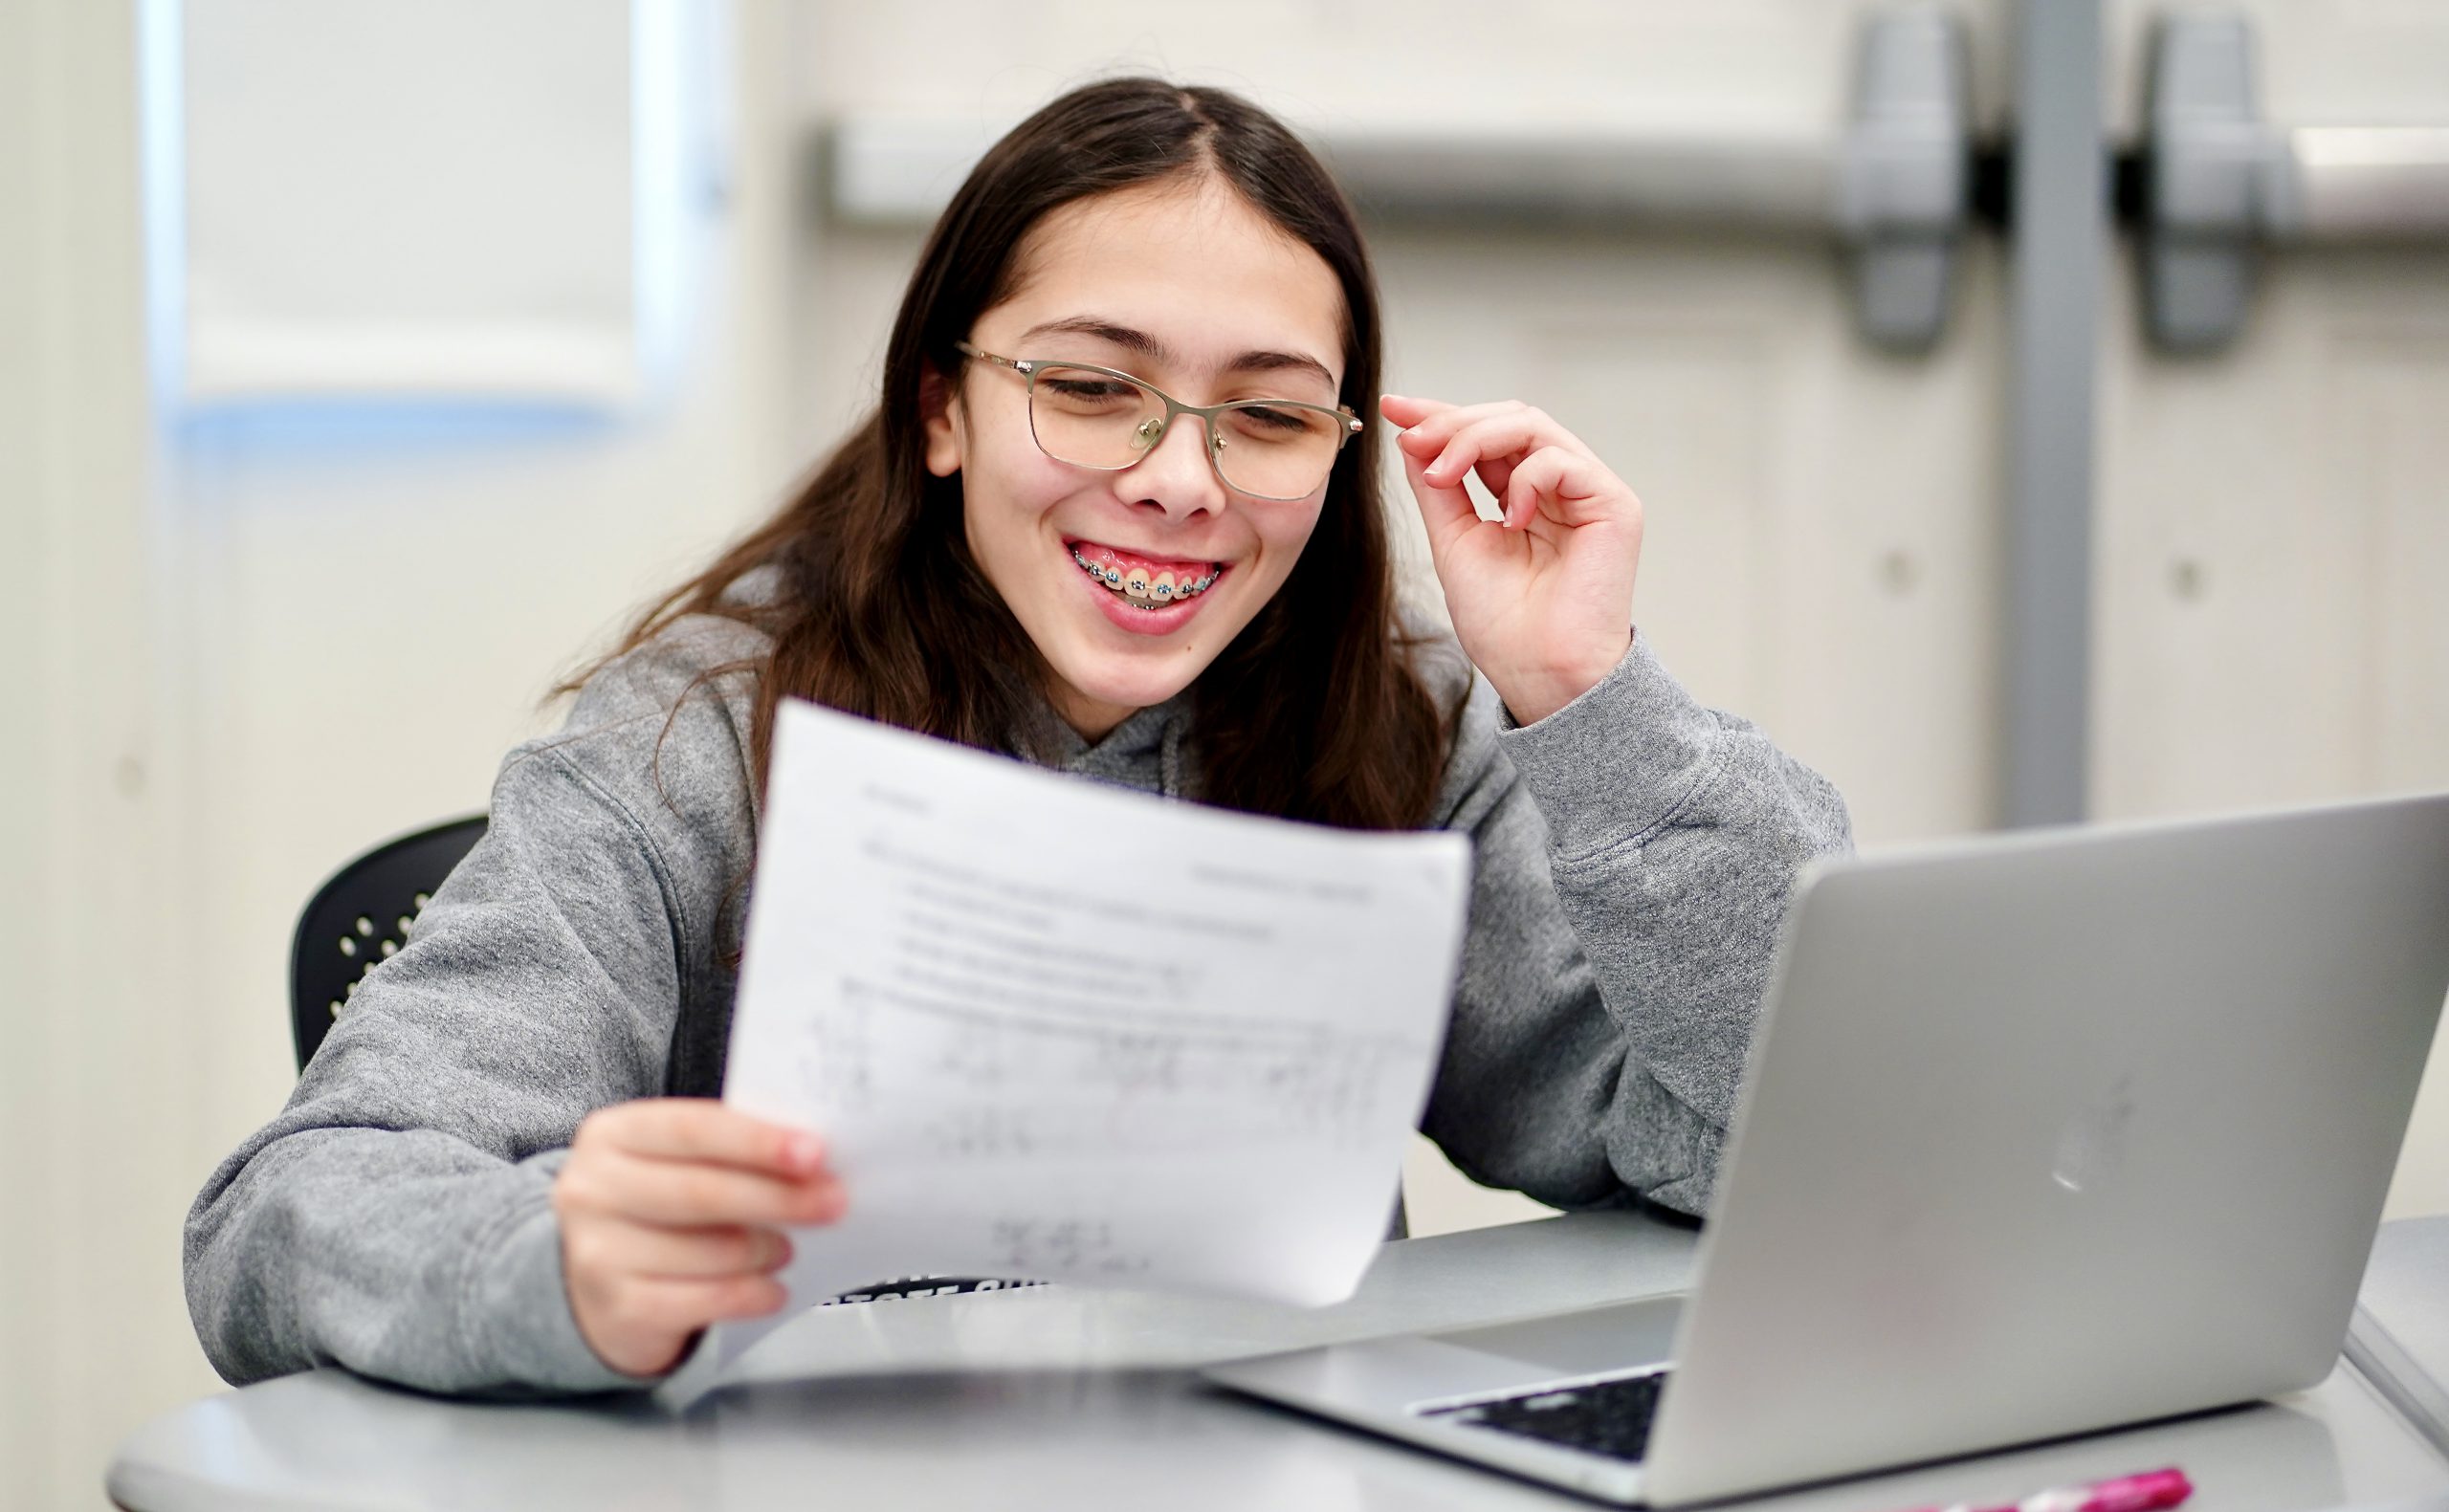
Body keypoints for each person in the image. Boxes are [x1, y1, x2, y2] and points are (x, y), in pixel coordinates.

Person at [185, 77, 1852, 1398]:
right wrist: (556, 1265)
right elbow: (283, 1216)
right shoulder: (699, 741)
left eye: (1268, 414)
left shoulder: (1403, 723)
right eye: (1091, 386)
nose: (1182, 480)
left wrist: (1591, 695)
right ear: (940, 408)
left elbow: (1770, 1147)